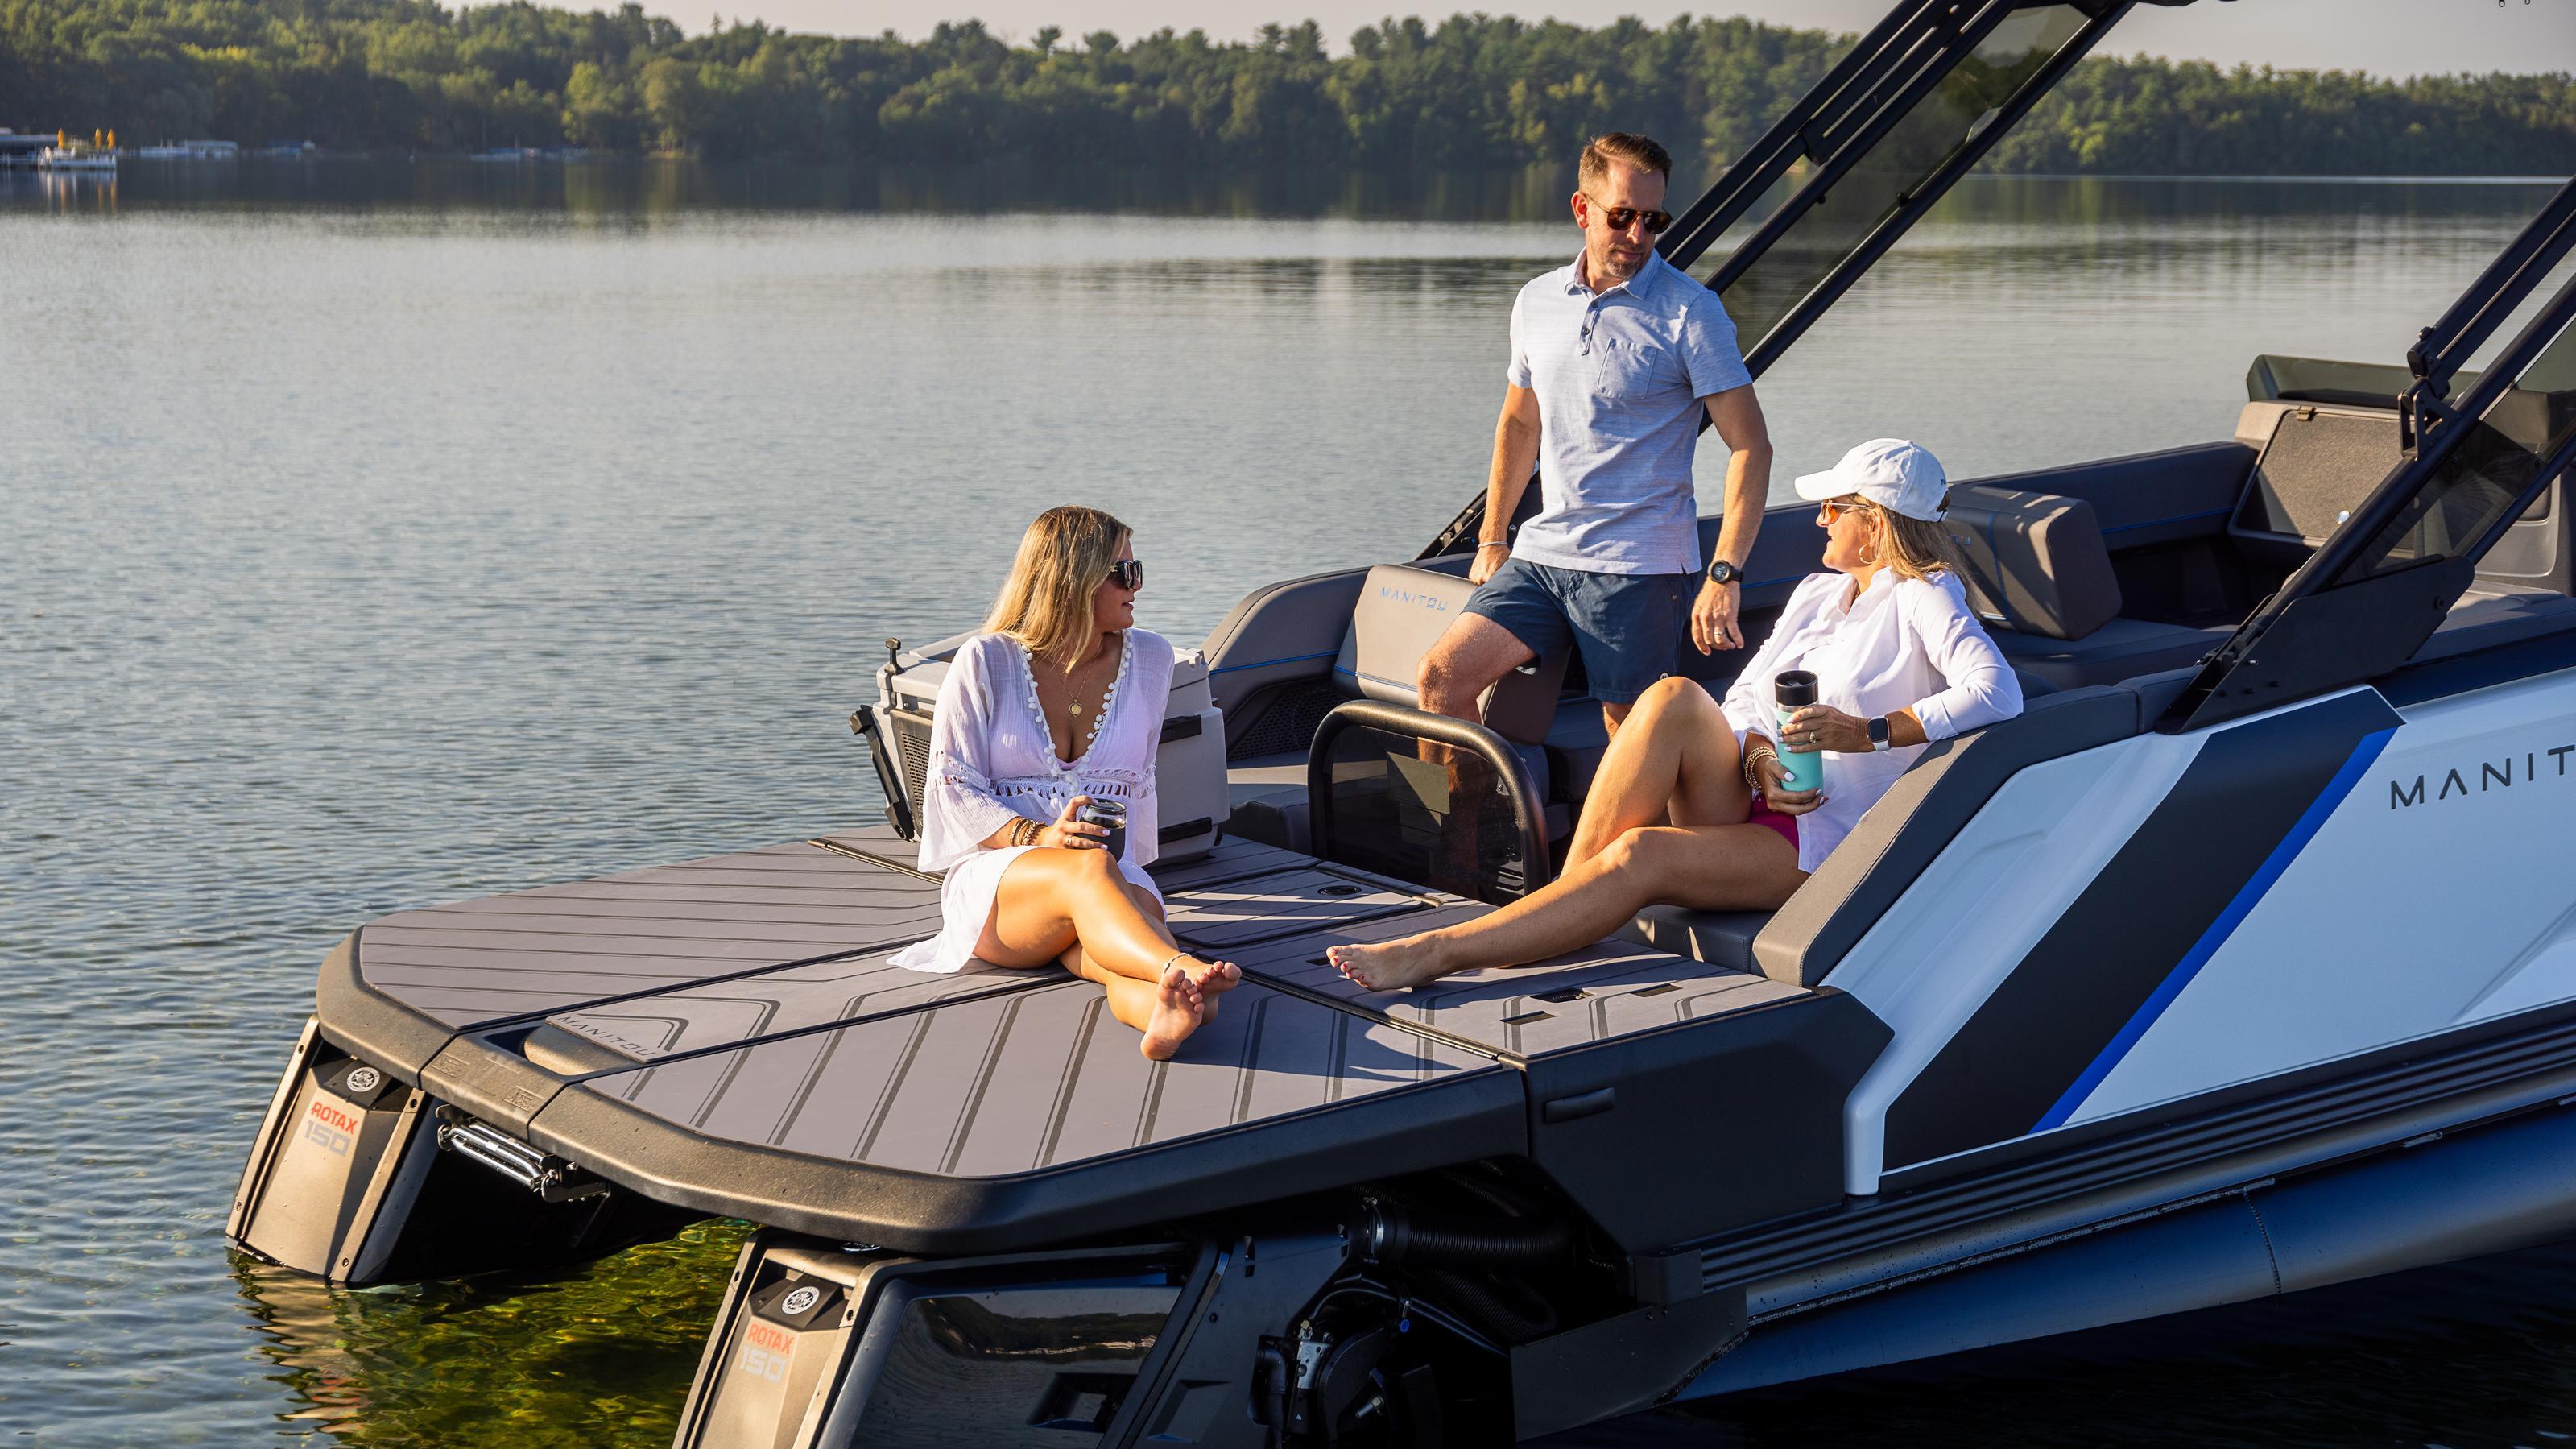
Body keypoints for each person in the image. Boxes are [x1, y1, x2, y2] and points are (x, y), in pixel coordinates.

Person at [1331, 440, 2022, 992]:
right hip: (1760, 790)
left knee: (1640, 853)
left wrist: (1864, 733)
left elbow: (1995, 691)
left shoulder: (1925, 596)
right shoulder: (1818, 593)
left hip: (1822, 842)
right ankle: (1551, 914)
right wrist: (1756, 756)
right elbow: (1745, 697)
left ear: (1872, 522)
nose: (1819, 518)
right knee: (1670, 696)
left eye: (1834, 508)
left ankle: (1438, 950)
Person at [1418, 130, 1775, 743]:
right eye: (1622, 217)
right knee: (1440, 681)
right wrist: (1493, 536)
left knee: (1630, 739)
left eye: (1652, 219)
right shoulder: (1536, 301)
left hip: (1638, 566)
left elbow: (1750, 447)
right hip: (1543, 555)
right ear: (1582, 209)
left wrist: (1724, 574)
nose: (1638, 235)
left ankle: (1641, 843)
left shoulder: (1691, 313)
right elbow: (1519, 422)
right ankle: (1470, 840)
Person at [891, 506, 1239, 1059]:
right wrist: (1040, 835)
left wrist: (1114, 855)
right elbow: (951, 792)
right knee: (1095, 876)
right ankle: (1181, 964)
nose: (1137, 585)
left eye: (1136, 568)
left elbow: (1138, 784)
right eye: (1122, 572)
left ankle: (1167, 1009)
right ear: (1072, 579)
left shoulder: (1150, 658)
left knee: (1112, 951)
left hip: (1106, 870)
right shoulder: (986, 661)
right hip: (1002, 886)